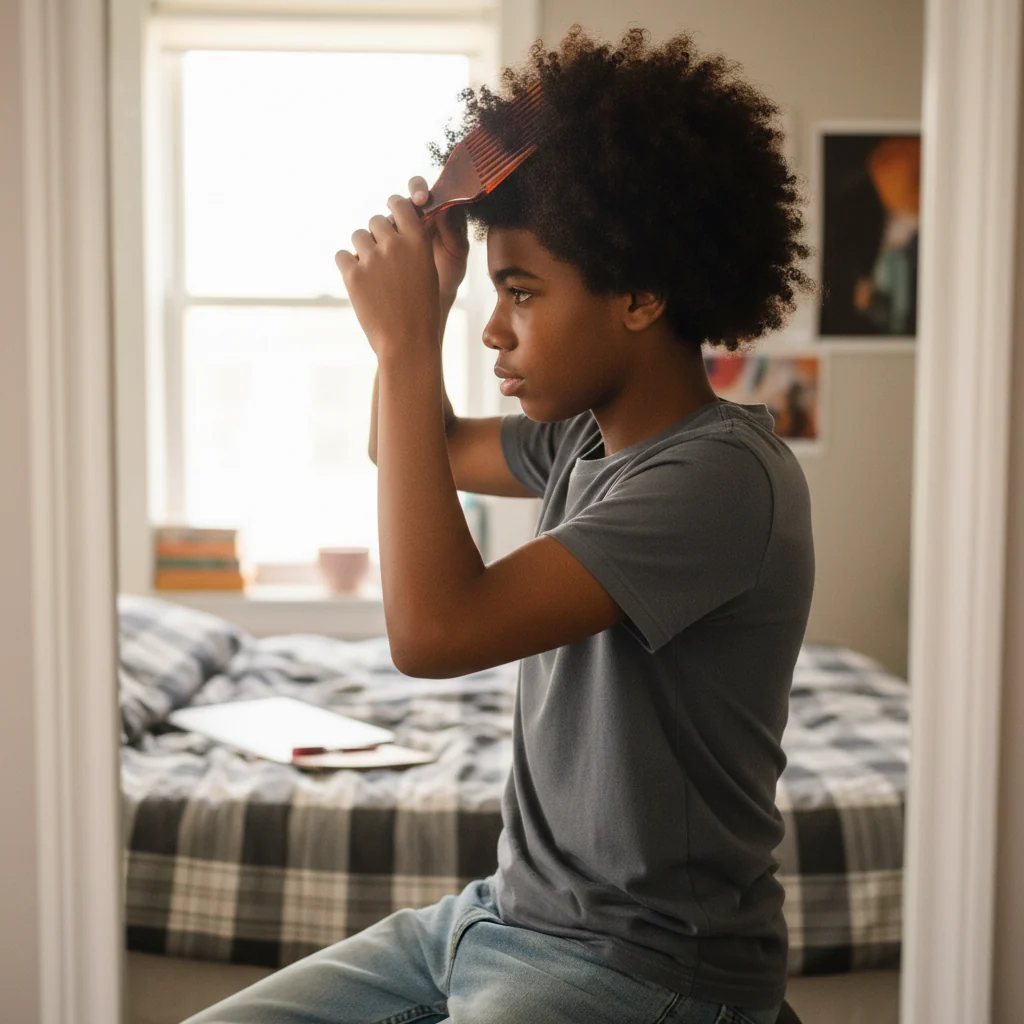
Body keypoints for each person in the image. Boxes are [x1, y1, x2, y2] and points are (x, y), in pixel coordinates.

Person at [186, 24, 815, 1024]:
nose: (494, 327)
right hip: (499, 916)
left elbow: (434, 635)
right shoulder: (580, 440)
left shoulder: (720, 480)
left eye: (520, 292)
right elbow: (410, 447)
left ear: (642, 295)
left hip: (639, 966)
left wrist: (399, 354)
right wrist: (420, 326)